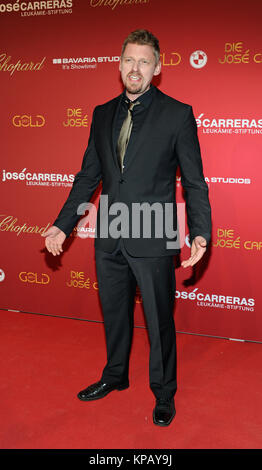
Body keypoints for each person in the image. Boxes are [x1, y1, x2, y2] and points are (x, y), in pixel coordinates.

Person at [42, 29, 211, 427]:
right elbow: (88, 177)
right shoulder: (102, 114)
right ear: (119, 65)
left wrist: (200, 231)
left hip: (155, 233)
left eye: (144, 61)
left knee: (158, 320)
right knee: (114, 313)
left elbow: (194, 181)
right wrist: (63, 226)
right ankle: (115, 375)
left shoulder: (177, 114)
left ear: (158, 67)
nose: (135, 68)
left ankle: (164, 393)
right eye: (129, 60)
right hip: (110, 233)